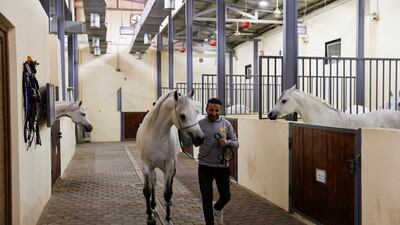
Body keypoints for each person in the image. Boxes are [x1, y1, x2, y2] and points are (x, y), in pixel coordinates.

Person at [198, 98, 239, 225]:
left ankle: (217, 208)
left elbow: (236, 144)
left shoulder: (226, 124)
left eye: (217, 110)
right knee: (206, 198)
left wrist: (227, 142)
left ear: (220, 110)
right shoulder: (200, 124)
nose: (214, 113)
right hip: (204, 167)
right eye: (211, 110)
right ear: (206, 109)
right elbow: (193, 142)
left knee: (226, 196)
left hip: (222, 166)